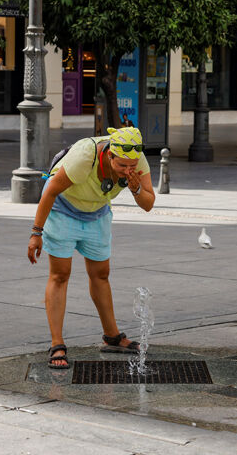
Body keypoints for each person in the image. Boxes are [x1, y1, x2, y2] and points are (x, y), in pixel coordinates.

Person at [27, 126, 155, 369]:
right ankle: (57, 344)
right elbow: (51, 191)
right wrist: (36, 233)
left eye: (132, 166)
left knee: (101, 274)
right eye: (123, 166)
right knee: (60, 275)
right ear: (109, 156)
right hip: (62, 210)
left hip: (97, 212)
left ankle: (112, 337)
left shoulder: (136, 159)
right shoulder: (86, 155)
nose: (129, 170)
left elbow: (148, 204)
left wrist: (135, 187)